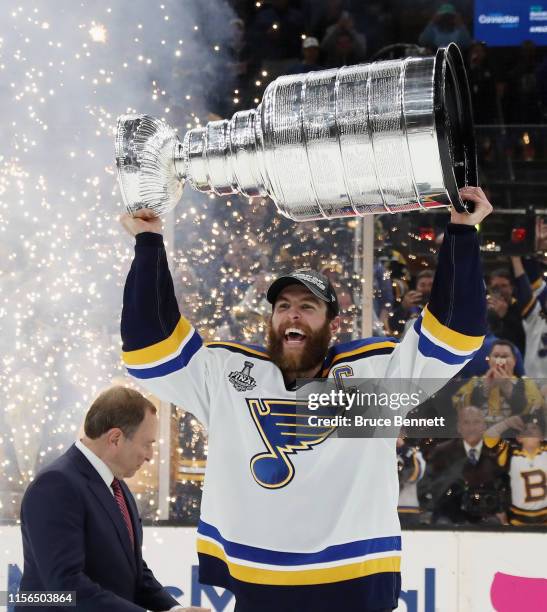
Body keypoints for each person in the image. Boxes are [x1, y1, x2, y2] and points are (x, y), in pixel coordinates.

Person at [119, 186, 492, 612]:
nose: (293, 314)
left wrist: (463, 232)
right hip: (259, 584)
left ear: (333, 324)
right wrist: (148, 242)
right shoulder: (229, 376)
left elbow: (456, 333)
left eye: (308, 306)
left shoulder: (373, 377)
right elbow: (150, 347)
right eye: (283, 306)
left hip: (355, 582)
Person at [19, 386, 208, 612]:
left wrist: (174, 610)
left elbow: (135, 572)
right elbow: (65, 589)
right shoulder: (55, 486)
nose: (149, 456)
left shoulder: (117, 486)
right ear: (115, 438)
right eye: (147, 444)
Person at [419, 406, 507, 525]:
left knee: (494, 523)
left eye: (476, 422)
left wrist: (501, 510)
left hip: (484, 517)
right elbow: (426, 486)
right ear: (459, 427)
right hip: (448, 517)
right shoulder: (442, 452)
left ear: (484, 426)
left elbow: (504, 486)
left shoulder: (496, 453)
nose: (472, 428)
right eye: (466, 423)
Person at [452, 340, 543, 426]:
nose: (499, 361)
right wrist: (483, 390)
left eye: (504, 356)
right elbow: (457, 408)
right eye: (496, 356)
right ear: (488, 360)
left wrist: (508, 388)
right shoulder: (475, 382)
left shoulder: (527, 383)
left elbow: (536, 412)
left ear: (514, 360)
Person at [485, 413, 547, 526]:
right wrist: (507, 423)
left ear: (542, 437)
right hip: (517, 521)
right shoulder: (510, 454)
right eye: (525, 429)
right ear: (518, 438)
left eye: (534, 428)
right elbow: (488, 437)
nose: (529, 431)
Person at [487, 268, 526, 355]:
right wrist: (494, 316)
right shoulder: (485, 310)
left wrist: (504, 317)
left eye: (504, 286)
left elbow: (523, 337)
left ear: (511, 288)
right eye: (495, 287)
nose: (500, 290)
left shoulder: (521, 308)